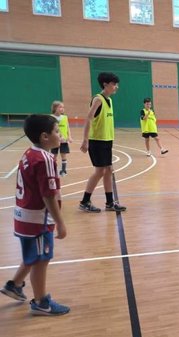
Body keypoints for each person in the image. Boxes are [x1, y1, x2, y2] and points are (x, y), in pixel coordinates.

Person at [0, 115, 70, 316]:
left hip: (24, 216)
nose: (61, 134)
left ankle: (14, 285)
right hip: (38, 219)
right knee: (41, 259)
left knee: (34, 254)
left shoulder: (30, 153)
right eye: (57, 131)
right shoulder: (45, 159)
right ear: (45, 136)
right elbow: (48, 195)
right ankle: (41, 302)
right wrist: (60, 222)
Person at [78, 72, 126, 213]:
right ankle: (85, 201)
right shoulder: (98, 99)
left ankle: (110, 203)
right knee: (100, 171)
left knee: (109, 170)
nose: (116, 87)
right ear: (105, 84)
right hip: (97, 141)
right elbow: (89, 118)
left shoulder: (109, 100)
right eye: (114, 84)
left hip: (106, 141)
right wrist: (85, 140)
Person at [50, 101, 73, 177]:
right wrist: (59, 136)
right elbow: (54, 128)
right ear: (55, 108)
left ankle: (63, 170)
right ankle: (53, 170)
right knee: (54, 156)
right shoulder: (51, 118)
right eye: (60, 107)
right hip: (54, 140)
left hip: (64, 141)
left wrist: (69, 136)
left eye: (63, 107)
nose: (62, 109)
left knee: (63, 155)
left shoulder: (65, 117)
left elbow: (67, 127)